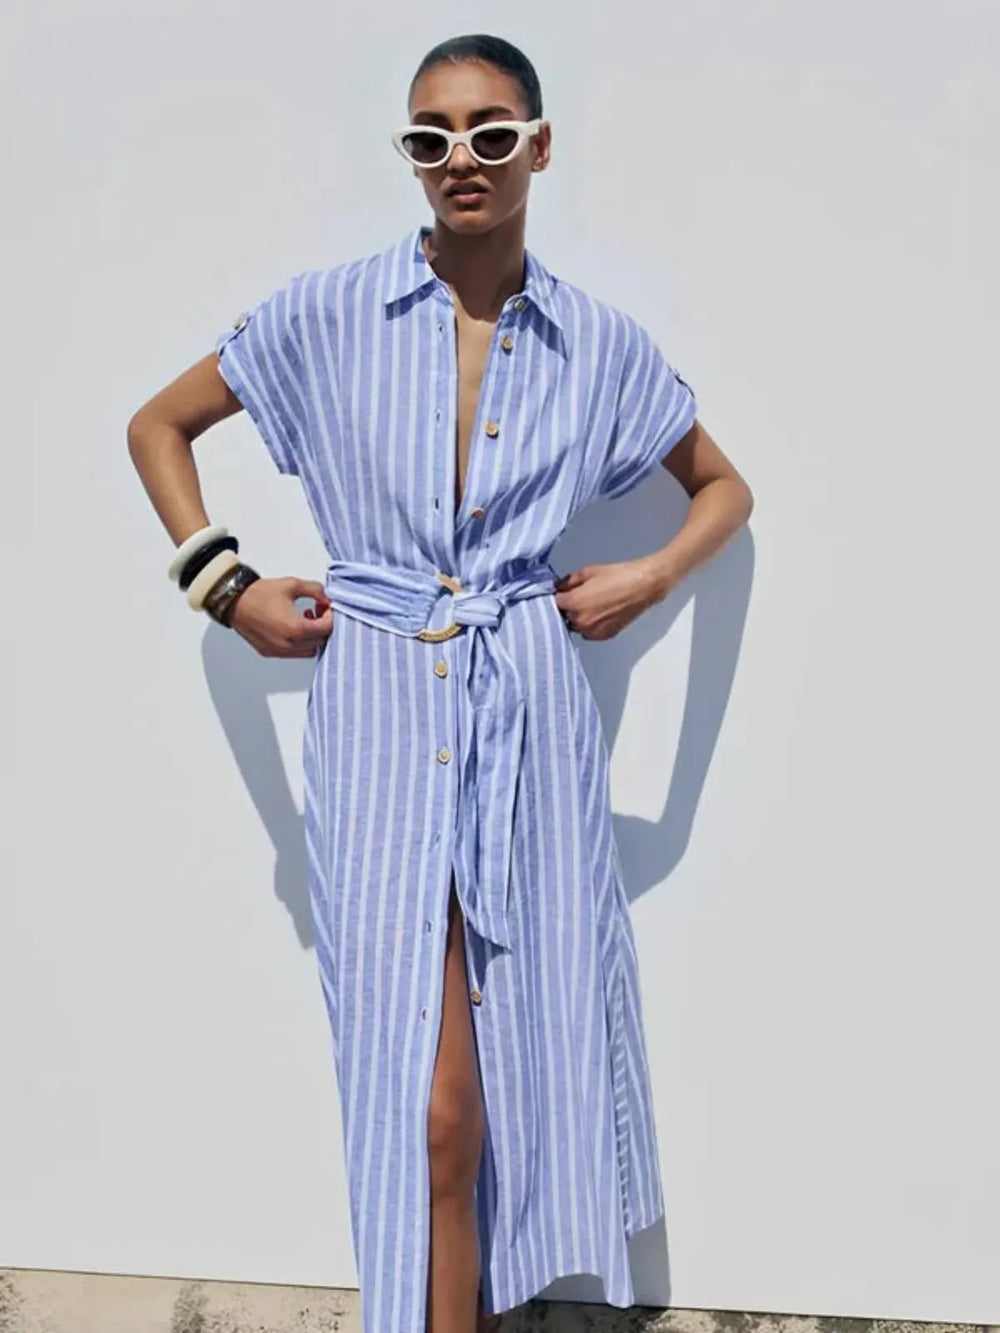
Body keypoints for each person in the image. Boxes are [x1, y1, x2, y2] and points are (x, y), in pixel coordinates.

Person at [127, 31, 753, 1333]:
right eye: (430, 137)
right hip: (377, 700)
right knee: (427, 1096)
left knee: (507, 1067)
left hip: (526, 702)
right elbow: (158, 424)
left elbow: (723, 489)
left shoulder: (595, 342)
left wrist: (648, 578)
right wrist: (224, 586)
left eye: (488, 131)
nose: (460, 157)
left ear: (538, 145)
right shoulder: (328, 312)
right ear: (410, 158)